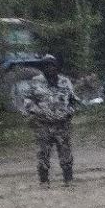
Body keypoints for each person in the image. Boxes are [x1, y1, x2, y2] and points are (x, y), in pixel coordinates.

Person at [22, 55, 81, 186]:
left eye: (52, 65)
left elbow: (74, 100)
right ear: (43, 68)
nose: (50, 68)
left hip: (62, 124)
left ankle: (68, 179)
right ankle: (44, 181)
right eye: (47, 66)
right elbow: (27, 100)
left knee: (65, 151)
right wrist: (37, 111)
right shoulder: (35, 82)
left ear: (57, 67)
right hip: (43, 124)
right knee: (43, 153)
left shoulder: (65, 82)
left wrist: (69, 112)